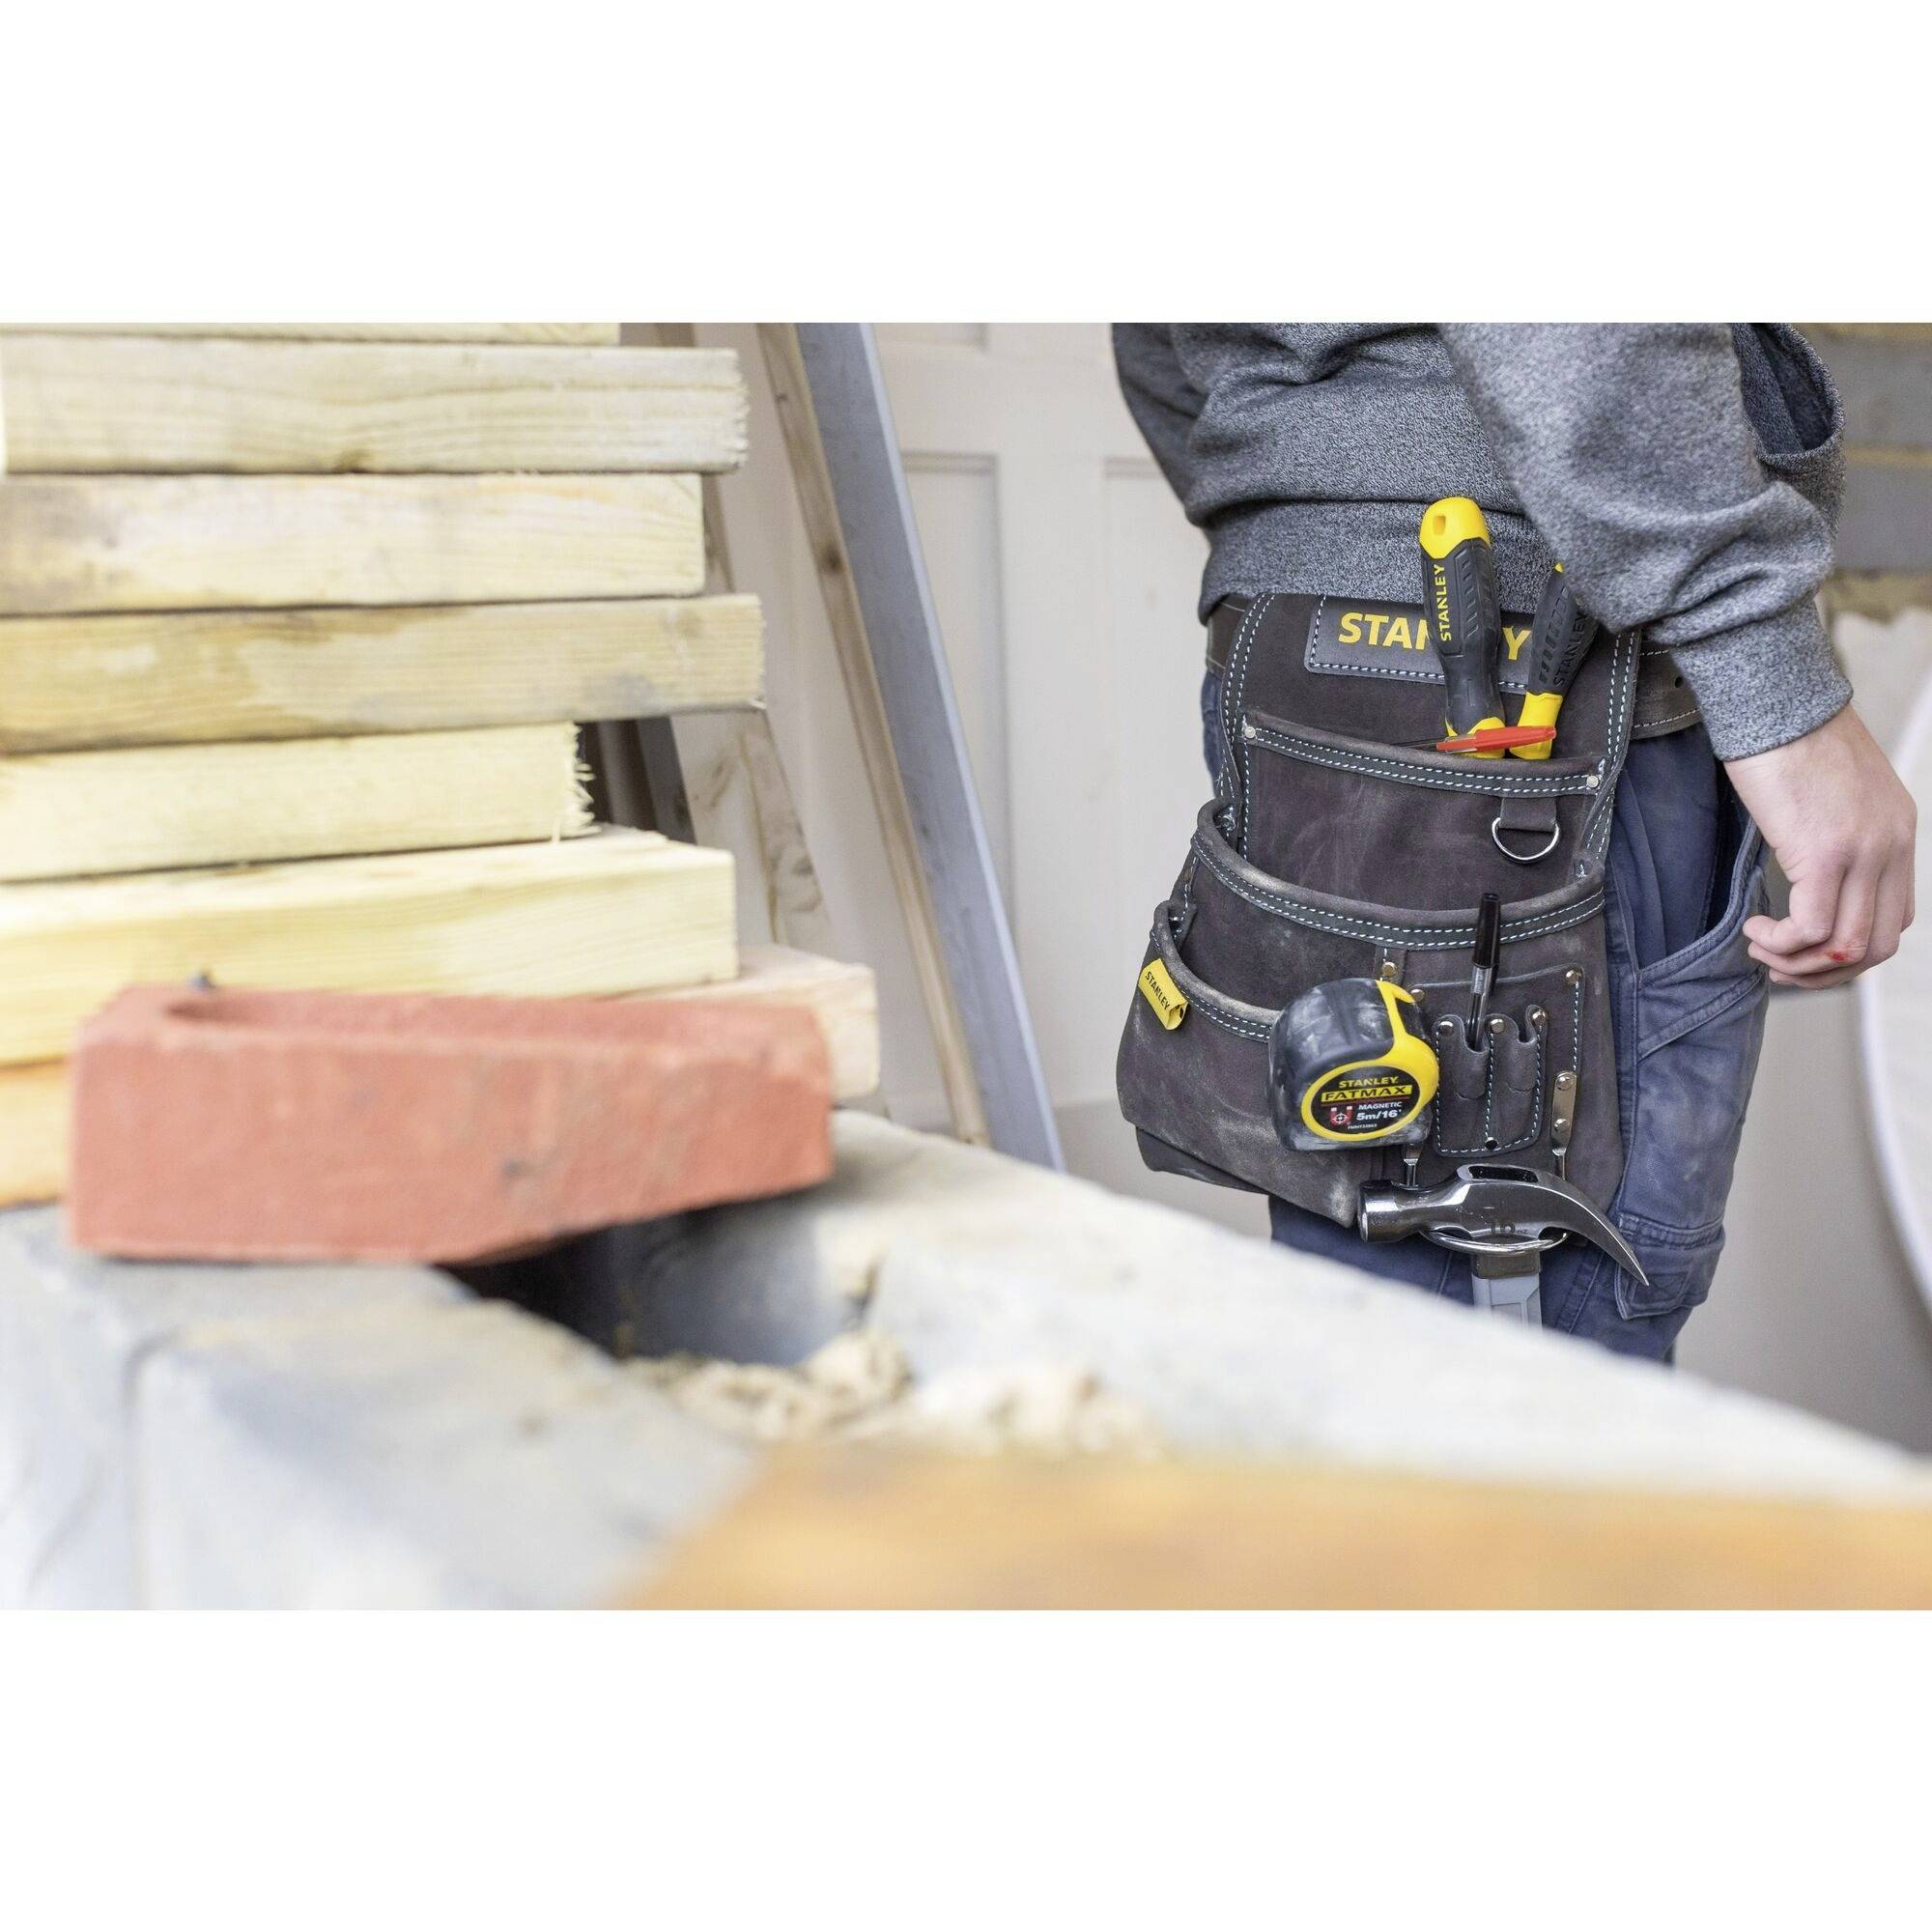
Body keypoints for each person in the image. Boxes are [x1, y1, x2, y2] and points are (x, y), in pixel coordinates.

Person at [1115, 324, 1916, 1357]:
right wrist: (1775, 681)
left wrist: (1313, 514)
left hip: (1290, 649)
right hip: (1574, 667)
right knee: (1549, 1358)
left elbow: (1155, 350)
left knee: (1374, 1295)